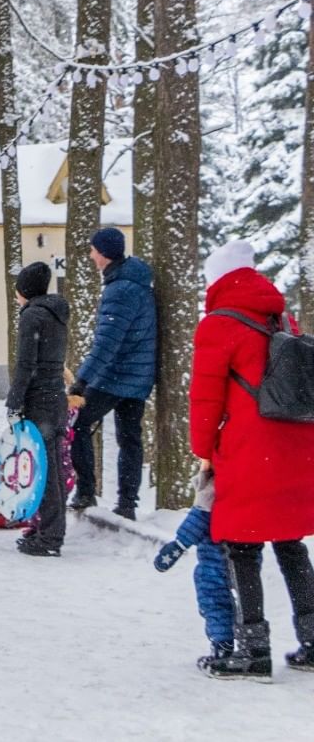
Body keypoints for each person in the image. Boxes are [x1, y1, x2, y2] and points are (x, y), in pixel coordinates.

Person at [188, 240, 314, 680]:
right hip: (295, 443)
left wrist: (203, 449)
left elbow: (205, 397)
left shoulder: (219, 325)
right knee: (290, 541)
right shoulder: (281, 317)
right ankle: (313, 641)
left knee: (242, 545)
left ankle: (253, 651)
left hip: (249, 448)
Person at [67, 227, 157, 519]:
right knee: (130, 437)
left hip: (117, 374)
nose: (92, 256)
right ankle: (127, 503)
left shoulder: (120, 290)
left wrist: (82, 380)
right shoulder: (136, 283)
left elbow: (107, 342)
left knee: (77, 424)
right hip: (139, 375)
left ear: (104, 253)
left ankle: (85, 491)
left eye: (94, 250)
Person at [4, 262, 69, 557]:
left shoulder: (32, 316)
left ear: (24, 289)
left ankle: (49, 535)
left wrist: (14, 400)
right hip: (55, 396)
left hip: (39, 400)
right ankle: (49, 530)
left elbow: (26, 364)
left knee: (41, 467)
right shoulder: (57, 313)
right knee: (52, 465)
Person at [153, 468, 234, 673]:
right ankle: (250, 644)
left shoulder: (213, 488)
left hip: (214, 558)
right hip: (245, 550)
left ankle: (223, 645)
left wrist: (179, 545)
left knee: (214, 600)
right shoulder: (244, 481)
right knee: (240, 599)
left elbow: (199, 519)